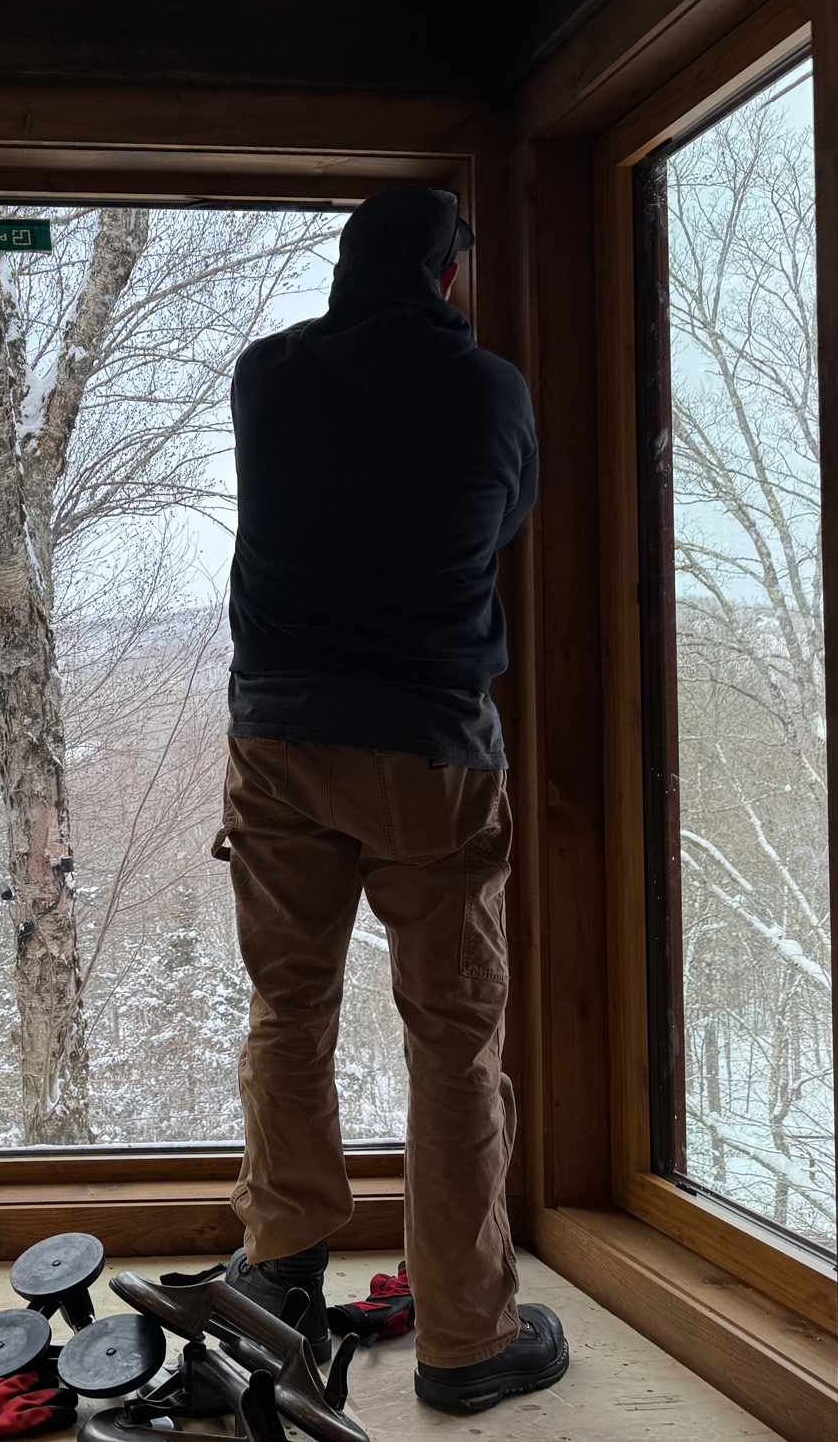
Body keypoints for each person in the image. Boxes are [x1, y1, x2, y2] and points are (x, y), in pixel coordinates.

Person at [215, 186, 563, 1414]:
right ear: (448, 277)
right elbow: (501, 519)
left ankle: (278, 1271)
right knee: (452, 1038)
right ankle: (468, 1338)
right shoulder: (490, 393)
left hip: (278, 732)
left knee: (287, 1003)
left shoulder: (266, 377)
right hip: (429, 743)